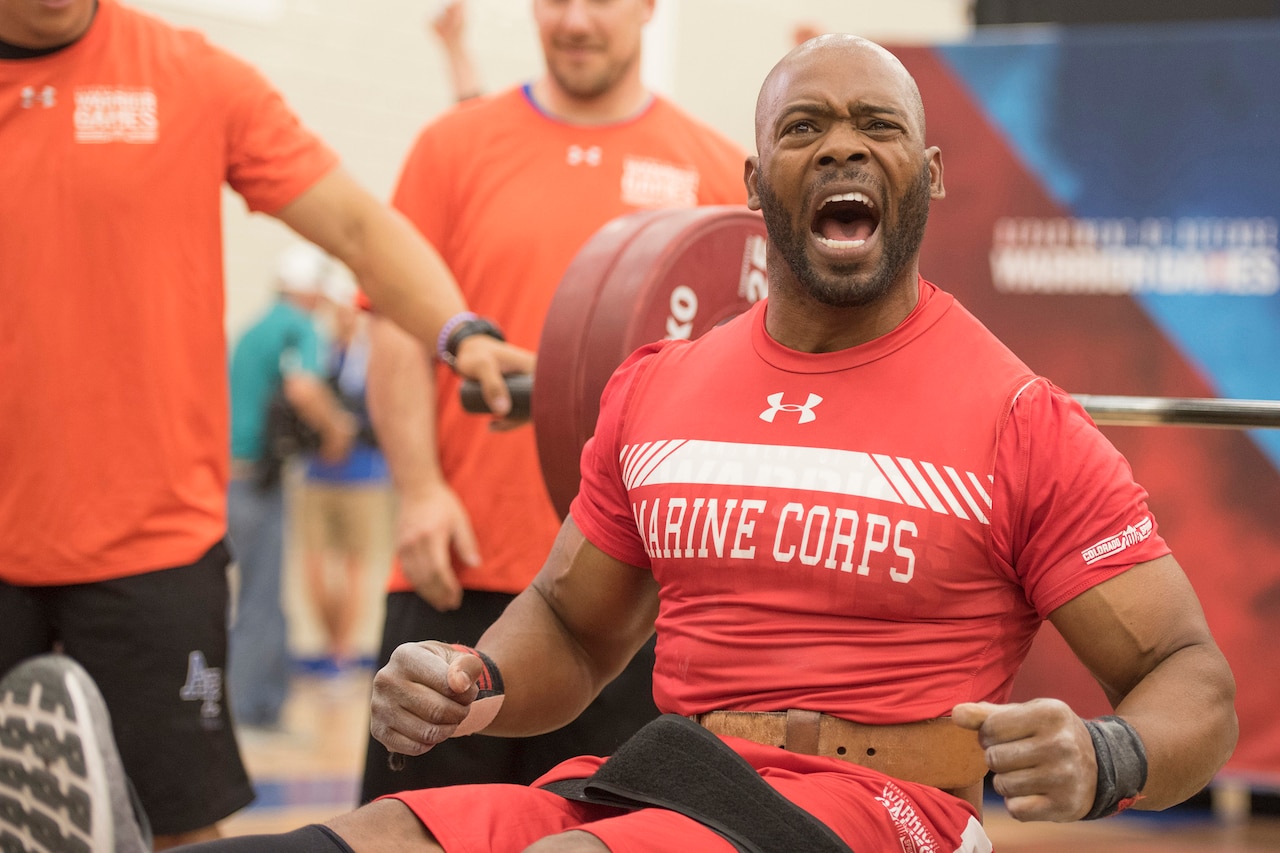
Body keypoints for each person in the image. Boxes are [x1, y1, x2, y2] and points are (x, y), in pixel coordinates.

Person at [5, 33, 1238, 853]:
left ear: (930, 175)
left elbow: (1191, 673)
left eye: (877, 125)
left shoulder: (1019, 418)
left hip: (877, 811)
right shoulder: (660, 384)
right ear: (755, 181)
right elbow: (574, 625)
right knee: (364, 836)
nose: (844, 145)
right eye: (806, 126)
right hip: (661, 776)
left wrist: (1109, 750)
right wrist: (474, 682)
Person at [0, 0, 530, 847]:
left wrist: (458, 332)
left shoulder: (192, 77)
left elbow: (358, 225)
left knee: (177, 823)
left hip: (151, 549)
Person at [360, 0, 748, 799]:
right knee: (416, 828)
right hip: (462, 572)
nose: (574, 21)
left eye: (600, 1)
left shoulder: (713, 169)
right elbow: (399, 332)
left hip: (629, 600)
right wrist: (422, 492)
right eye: (554, 1)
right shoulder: (452, 147)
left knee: (600, 832)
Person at [226, 243, 358, 729]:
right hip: (258, 483)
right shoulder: (297, 326)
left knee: (256, 596)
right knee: (262, 598)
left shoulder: (253, 330)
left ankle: (262, 701)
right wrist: (336, 429)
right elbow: (305, 386)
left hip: (233, 480)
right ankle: (251, 710)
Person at [297, 266, 392, 673]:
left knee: (354, 567)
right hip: (319, 476)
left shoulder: (373, 357)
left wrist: (346, 430)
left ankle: (341, 651)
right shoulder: (319, 352)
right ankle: (332, 642)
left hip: (364, 478)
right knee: (316, 567)